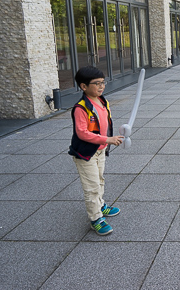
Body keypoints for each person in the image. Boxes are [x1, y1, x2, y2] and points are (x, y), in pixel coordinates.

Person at [69, 66, 124, 235]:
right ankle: (96, 219)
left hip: (100, 151)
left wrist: (108, 140)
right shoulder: (81, 108)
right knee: (91, 186)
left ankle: (100, 205)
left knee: (99, 180)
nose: (101, 86)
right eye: (97, 83)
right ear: (83, 86)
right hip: (85, 154)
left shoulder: (102, 101)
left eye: (103, 82)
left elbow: (103, 124)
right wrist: (108, 139)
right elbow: (82, 133)